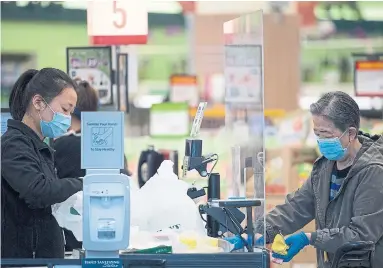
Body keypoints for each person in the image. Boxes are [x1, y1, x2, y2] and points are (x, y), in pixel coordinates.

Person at [226, 91, 383, 268]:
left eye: (326, 134)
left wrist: (310, 238)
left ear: (351, 133)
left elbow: (362, 235)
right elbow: (297, 207)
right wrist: (259, 231)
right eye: (317, 134)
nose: (322, 141)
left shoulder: (373, 171)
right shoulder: (324, 167)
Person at [1, 68, 83, 258]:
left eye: (71, 112)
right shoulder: (14, 145)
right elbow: (39, 191)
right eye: (64, 109)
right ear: (38, 102)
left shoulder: (38, 147)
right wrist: (83, 184)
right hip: (26, 260)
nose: (68, 119)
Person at [53, 79, 131, 251]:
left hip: (67, 242)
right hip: (109, 238)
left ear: (69, 110)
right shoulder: (112, 146)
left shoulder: (59, 147)